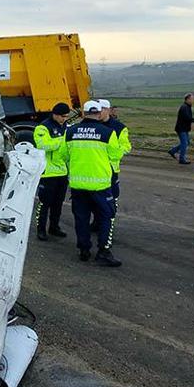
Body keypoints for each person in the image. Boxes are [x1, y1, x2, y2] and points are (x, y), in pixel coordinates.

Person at [60, 100, 123, 266]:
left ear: (83, 113)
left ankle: (84, 250)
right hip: (100, 186)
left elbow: (63, 155)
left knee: (81, 218)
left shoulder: (70, 132)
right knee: (105, 218)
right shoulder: (108, 132)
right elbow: (116, 155)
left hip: (78, 185)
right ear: (98, 114)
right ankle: (103, 251)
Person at [33, 102, 70, 241]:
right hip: (48, 173)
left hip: (62, 172)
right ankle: (41, 229)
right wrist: (62, 140)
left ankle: (54, 227)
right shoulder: (43, 127)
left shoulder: (65, 126)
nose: (65, 119)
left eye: (66, 116)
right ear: (55, 114)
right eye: (62, 116)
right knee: (44, 203)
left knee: (58, 203)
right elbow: (43, 145)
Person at [99, 99, 132, 247]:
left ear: (108, 110)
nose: (98, 113)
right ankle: (97, 223)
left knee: (110, 201)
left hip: (111, 170)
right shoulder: (93, 125)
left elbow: (126, 147)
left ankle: (108, 230)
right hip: (96, 170)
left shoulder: (119, 128)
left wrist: (112, 154)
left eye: (101, 110)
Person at [170, 93, 194, 164]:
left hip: (184, 128)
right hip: (181, 129)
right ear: (187, 99)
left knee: (187, 142)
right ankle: (182, 159)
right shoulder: (184, 107)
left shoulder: (187, 106)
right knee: (184, 143)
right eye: (192, 99)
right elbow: (187, 118)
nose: (193, 100)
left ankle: (172, 151)